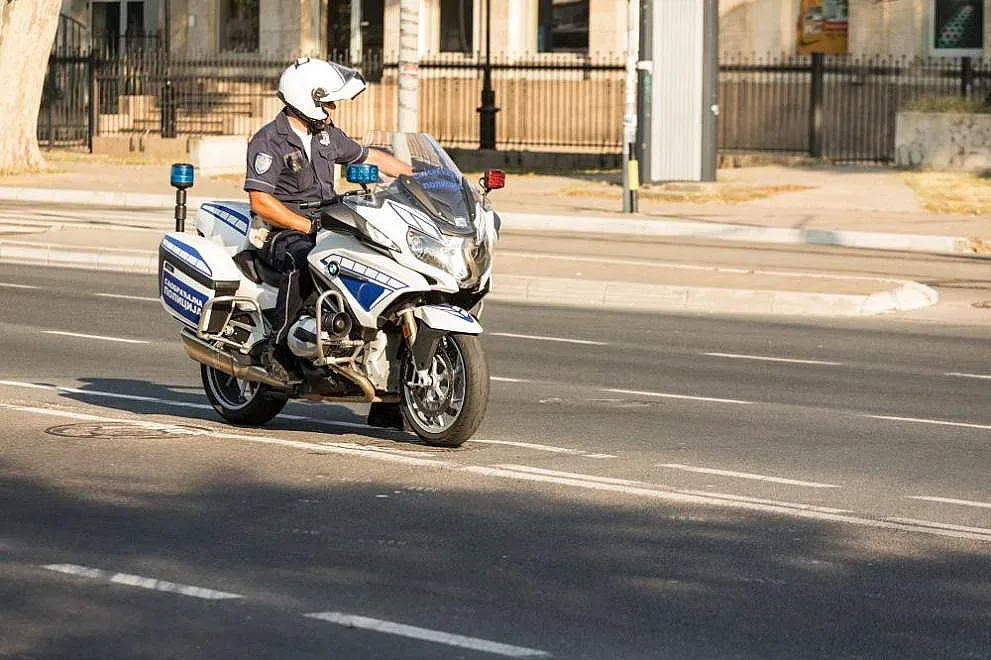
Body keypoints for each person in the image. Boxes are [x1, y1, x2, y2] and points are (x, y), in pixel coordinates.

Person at [244, 57, 411, 384]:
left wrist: (420, 177)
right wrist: (307, 226)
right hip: (281, 231)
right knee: (305, 259)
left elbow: (370, 156)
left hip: (327, 222)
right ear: (306, 98)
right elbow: (260, 200)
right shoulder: (269, 141)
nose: (332, 107)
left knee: (381, 260)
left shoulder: (326, 135)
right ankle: (277, 349)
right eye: (326, 101)